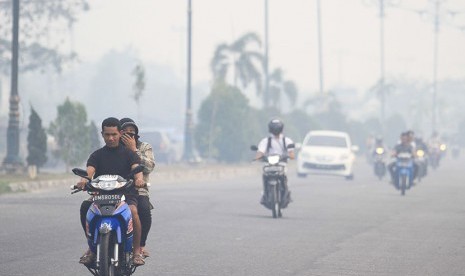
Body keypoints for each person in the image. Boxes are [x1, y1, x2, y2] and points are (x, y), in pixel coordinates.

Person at [77, 117, 146, 266]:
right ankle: (92, 249)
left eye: (114, 134)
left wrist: (139, 180)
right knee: (85, 208)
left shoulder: (130, 154)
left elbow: (137, 170)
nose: (111, 138)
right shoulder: (97, 155)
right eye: (107, 135)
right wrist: (83, 181)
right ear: (102, 134)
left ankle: (136, 252)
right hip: (101, 195)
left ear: (120, 133)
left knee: (133, 211)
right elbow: (89, 172)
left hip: (125, 195)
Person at [119, 118, 155, 258]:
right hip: (115, 188)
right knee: (89, 207)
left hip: (138, 189)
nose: (129, 136)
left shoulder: (144, 147)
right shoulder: (115, 147)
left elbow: (149, 167)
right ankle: (93, 247)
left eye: (132, 133)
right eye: (125, 133)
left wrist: (133, 150)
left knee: (144, 210)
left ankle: (140, 246)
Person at [255, 118, 295, 206]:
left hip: (281, 163)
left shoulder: (287, 141)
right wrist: (259, 157)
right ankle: (265, 194)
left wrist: (287, 156)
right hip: (269, 164)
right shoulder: (266, 141)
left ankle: (286, 193)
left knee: (284, 177)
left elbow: (292, 154)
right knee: (265, 176)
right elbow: (259, 153)